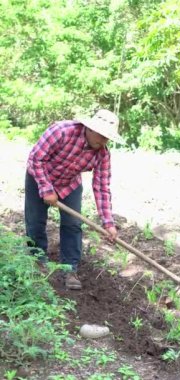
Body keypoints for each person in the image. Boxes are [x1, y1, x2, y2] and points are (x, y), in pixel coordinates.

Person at [25, 109, 124, 290]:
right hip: (39, 177)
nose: (103, 141)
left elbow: (102, 187)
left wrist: (108, 223)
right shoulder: (61, 131)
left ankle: (69, 269)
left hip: (69, 183)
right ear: (90, 128)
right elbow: (36, 159)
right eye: (101, 135)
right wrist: (46, 189)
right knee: (35, 221)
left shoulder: (102, 154)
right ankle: (37, 261)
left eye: (107, 138)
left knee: (73, 224)